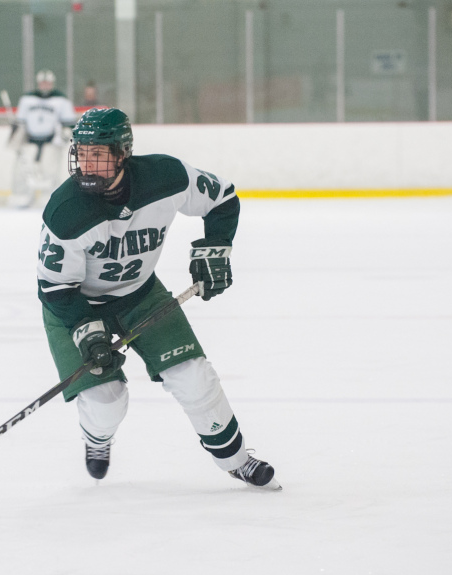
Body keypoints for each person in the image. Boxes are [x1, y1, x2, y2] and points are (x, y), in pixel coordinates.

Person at [36, 107, 280, 490]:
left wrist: (214, 251)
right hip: (75, 308)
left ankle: (237, 461)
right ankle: (97, 439)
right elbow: (54, 289)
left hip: (141, 296)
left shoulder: (166, 177)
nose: (87, 164)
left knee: (194, 377)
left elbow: (222, 198)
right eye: (82, 153)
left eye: (98, 154)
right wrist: (91, 334)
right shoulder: (67, 212)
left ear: (123, 152)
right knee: (106, 401)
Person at [8, 69, 77, 208]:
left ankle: (50, 198)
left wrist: (64, 135)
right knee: (23, 170)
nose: (45, 85)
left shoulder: (61, 99)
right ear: (38, 83)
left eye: (48, 83)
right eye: (43, 83)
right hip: (30, 141)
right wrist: (16, 138)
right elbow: (20, 122)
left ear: (52, 83)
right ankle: (21, 196)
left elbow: (69, 123)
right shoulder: (27, 99)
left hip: (51, 142)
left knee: (50, 171)